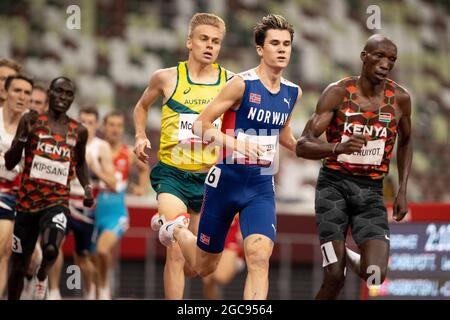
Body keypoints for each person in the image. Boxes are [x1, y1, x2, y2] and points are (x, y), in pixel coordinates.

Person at [159, 14, 301, 300]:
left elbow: (285, 136)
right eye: (275, 43)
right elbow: (201, 124)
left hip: (261, 186)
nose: (282, 49)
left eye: (287, 44)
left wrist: (316, 150)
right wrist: (236, 144)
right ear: (260, 49)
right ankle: (176, 230)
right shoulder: (241, 84)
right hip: (226, 181)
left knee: (260, 257)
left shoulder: (292, 93)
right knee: (203, 267)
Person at [296, 34, 412, 299]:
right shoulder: (338, 93)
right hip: (333, 188)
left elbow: (407, 141)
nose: (385, 64)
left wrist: (402, 189)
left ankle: (345, 253)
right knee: (334, 275)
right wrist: (337, 147)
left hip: (371, 191)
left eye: (391, 59)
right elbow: (303, 146)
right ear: (363, 57)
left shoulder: (400, 99)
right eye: (379, 56)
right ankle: (339, 259)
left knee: (376, 275)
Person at [133, 13, 230, 299]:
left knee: (198, 267)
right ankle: (170, 223)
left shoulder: (230, 83)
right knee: (175, 252)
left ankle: (167, 224)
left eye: (216, 41)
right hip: (172, 174)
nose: (209, 46)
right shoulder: (166, 78)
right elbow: (141, 106)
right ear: (190, 41)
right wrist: (139, 135)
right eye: (203, 39)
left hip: (208, 180)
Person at [5, 76, 94, 300]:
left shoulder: (78, 131)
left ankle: (43, 273)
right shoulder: (31, 121)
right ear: (49, 95)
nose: (63, 97)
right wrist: (23, 137)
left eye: (68, 94)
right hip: (26, 204)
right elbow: (10, 162)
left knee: (52, 247)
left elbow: (81, 162)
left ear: (73, 99)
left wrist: (87, 187)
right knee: (18, 264)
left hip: (57, 202)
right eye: (59, 92)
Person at [46, 106, 116, 300]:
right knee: (53, 245)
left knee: (83, 258)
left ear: (97, 125)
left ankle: (91, 289)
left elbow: (112, 182)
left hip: (87, 208)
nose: (86, 126)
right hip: (64, 202)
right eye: (82, 121)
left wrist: (95, 168)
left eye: (91, 122)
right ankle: (53, 291)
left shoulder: (101, 147)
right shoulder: (66, 141)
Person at [92, 111, 148, 300]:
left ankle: (104, 288)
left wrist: (141, 187)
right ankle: (96, 290)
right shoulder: (95, 149)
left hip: (116, 214)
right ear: (103, 127)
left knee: (102, 250)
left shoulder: (128, 152)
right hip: (93, 212)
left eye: (119, 126)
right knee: (90, 258)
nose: (115, 129)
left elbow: (144, 169)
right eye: (111, 125)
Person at [0, 74, 32, 297]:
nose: (22, 96)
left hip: (11, 195)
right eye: (17, 91)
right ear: (5, 92)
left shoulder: (32, 126)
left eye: (27, 93)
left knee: (3, 251)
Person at [202, 215, 245, 299]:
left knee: (219, 276)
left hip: (233, 250)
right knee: (207, 280)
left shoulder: (241, 216)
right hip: (217, 248)